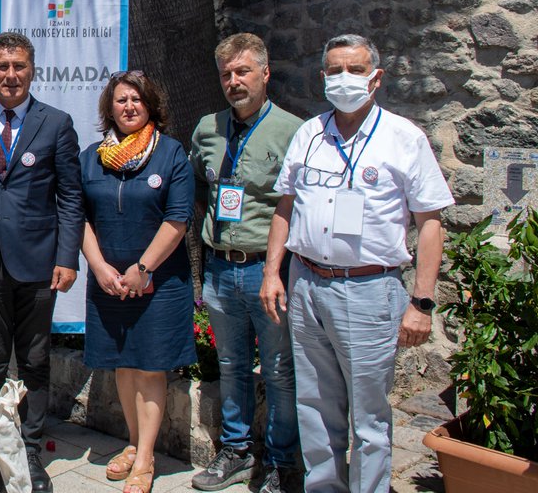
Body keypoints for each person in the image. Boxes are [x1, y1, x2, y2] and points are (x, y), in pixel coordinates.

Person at [260, 34, 453, 493]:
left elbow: (430, 223)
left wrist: (422, 302)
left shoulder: (404, 137)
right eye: (335, 70)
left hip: (369, 291)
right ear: (323, 77)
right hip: (306, 284)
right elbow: (285, 207)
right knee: (314, 407)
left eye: (355, 69)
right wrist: (272, 272)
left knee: (368, 417)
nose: (344, 79)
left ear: (376, 78)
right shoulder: (310, 133)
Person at [0, 32, 84, 493]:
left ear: (33, 70)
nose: (10, 75)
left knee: (34, 361)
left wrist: (67, 257)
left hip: (38, 263)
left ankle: (30, 452)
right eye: (2, 67)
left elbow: (71, 196)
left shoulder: (56, 124)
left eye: (19, 66)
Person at [189, 34, 303, 493]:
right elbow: (201, 187)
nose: (234, 82)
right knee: (231, 363)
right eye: (226, 74)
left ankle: (280, 463)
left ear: (265, 74)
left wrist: (274, 269)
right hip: (220, 268)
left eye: (243, 72)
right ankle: (235, 451)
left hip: (268, 269)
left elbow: (297, 205)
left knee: (278, 368)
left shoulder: (295, 131)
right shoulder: (207, 128)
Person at [80, 71, 195, 493]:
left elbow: (178, 218)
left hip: (158, 282)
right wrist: (99, 266)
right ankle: (132, 441)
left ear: (151, 106)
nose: (129, 107)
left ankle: (145, 457)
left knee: (149, 367)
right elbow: (79, 217)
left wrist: (142, 269)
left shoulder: (170, 154)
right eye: (121, 100)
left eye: (137, 100)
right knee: (123, 365)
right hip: (109, 281)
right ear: (109, 107)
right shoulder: (91, 156)